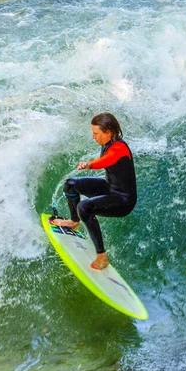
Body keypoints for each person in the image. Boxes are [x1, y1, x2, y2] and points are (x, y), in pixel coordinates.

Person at [52, 112, 137, 270]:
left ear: (108, 132)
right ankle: (74, 222)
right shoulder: (108, 142)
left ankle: (102, 257)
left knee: (84, 207)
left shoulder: (119, 148)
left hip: (123, 200)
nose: (93, 137)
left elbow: (107, 159)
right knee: (70, 184)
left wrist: (90, 165)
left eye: (96, 133)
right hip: (109, 188)